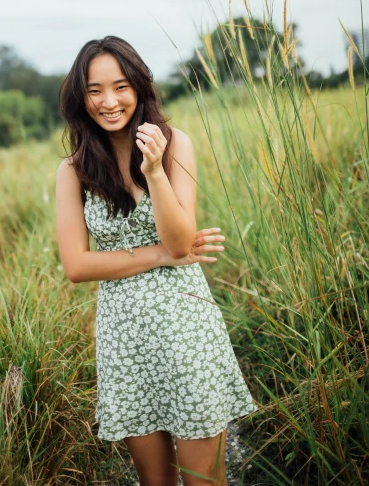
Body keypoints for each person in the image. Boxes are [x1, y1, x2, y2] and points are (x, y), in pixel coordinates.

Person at [55, 36, 257, 486]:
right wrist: (160, 255)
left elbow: (181, 241)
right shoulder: (73, 170)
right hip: (124, 340)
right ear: (80, 97)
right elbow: (77, 266)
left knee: (204, 479)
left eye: (120, 86)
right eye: (94, 90)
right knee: (155, 481)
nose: (109, 101)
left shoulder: (174, 144)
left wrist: (153, 173)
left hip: (186, 329)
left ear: (139, 87)